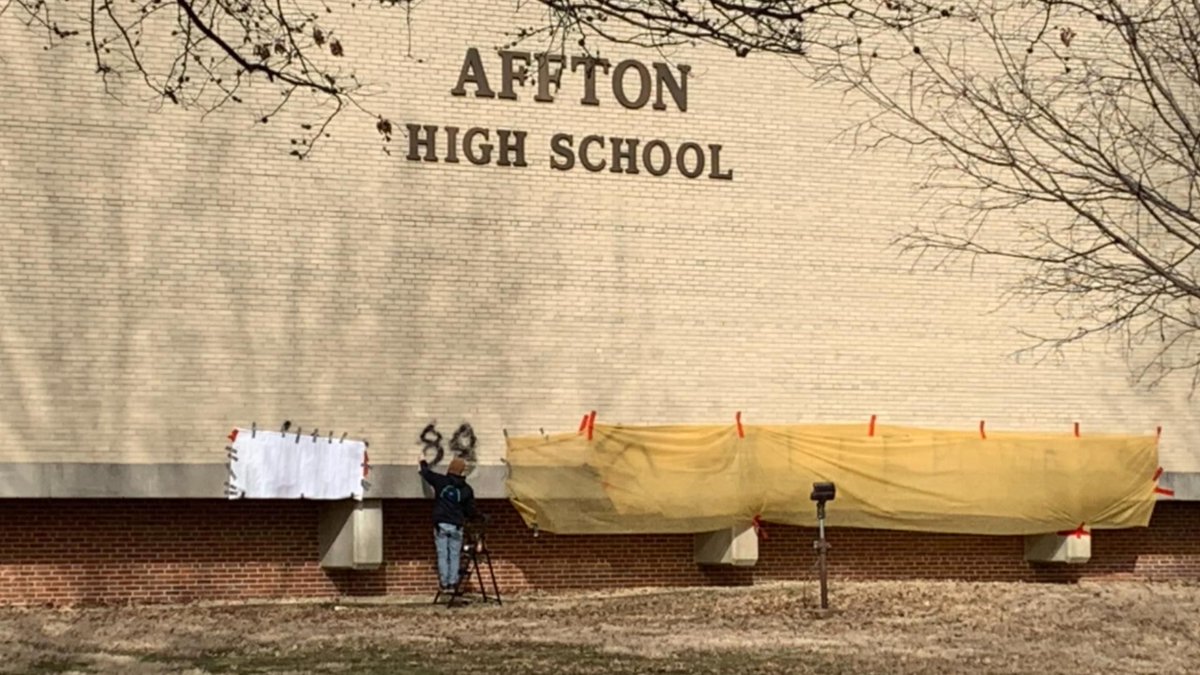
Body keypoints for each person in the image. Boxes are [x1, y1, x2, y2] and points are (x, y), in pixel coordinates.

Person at [418, 456, 478, 591]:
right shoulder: (467, 489)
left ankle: (444, 583)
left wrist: (422, 461)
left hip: (441, 524)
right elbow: (470, 510)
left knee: (443, 554)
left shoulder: (441, 482)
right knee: (455, 554)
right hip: (456, 525)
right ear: (462, 472)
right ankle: (452, 583)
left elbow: (427, 474)